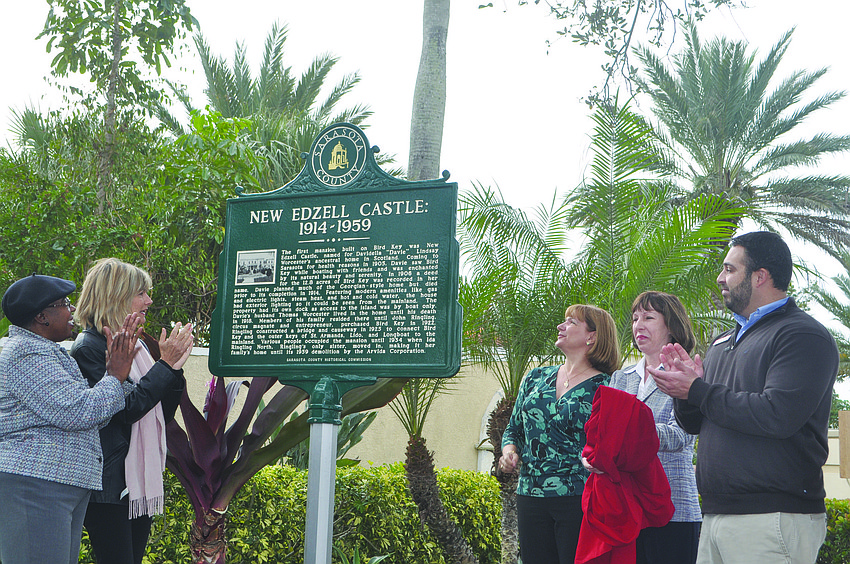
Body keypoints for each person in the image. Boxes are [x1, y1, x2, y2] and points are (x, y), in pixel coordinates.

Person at [650, 231, 839, 564]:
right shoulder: (724, 341)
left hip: (772, 517)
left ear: (760, 276)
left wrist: (697, 388)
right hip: (715, 515)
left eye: (729, 269)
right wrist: (682, 389)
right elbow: (696, 423)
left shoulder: (801, 334)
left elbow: (777, 415)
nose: (720, 278)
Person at [0, 274, 141, 564]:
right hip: (36, 486)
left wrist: (118, 378)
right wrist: (114, 376)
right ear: (42, 316)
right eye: (64, 304)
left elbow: (93, 416)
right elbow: (77, 412)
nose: (73, 310)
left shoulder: (51, 353)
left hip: (57, 486)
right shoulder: (26, 355)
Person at [71, 258, 194, 564]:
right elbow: (126, 408)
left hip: (134, 483)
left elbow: (161, 413)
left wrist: (174, 369)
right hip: (109, 485)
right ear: (116, 295)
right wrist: (164, 366)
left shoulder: (138, 348)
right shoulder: (89, 347)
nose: (149, 301)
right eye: (142, 293)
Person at [499, 304, 621, 564]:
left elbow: (611, 442)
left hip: (578, 497)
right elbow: (514, 430)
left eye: (571, 322)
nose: (560, 326)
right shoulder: (535, 378)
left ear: (592, 336)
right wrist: (508, 453)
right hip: (529, 494)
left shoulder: (607, 386)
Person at [604, 291, 701, 564]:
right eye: (635, 319)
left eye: (648, 317)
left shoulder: (686, 373)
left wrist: (631, 431)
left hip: (673, 508)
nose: (638, 325)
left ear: (671, 325)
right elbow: (605, 432)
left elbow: (681, 434)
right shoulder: (620, 377)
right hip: (626, 509)